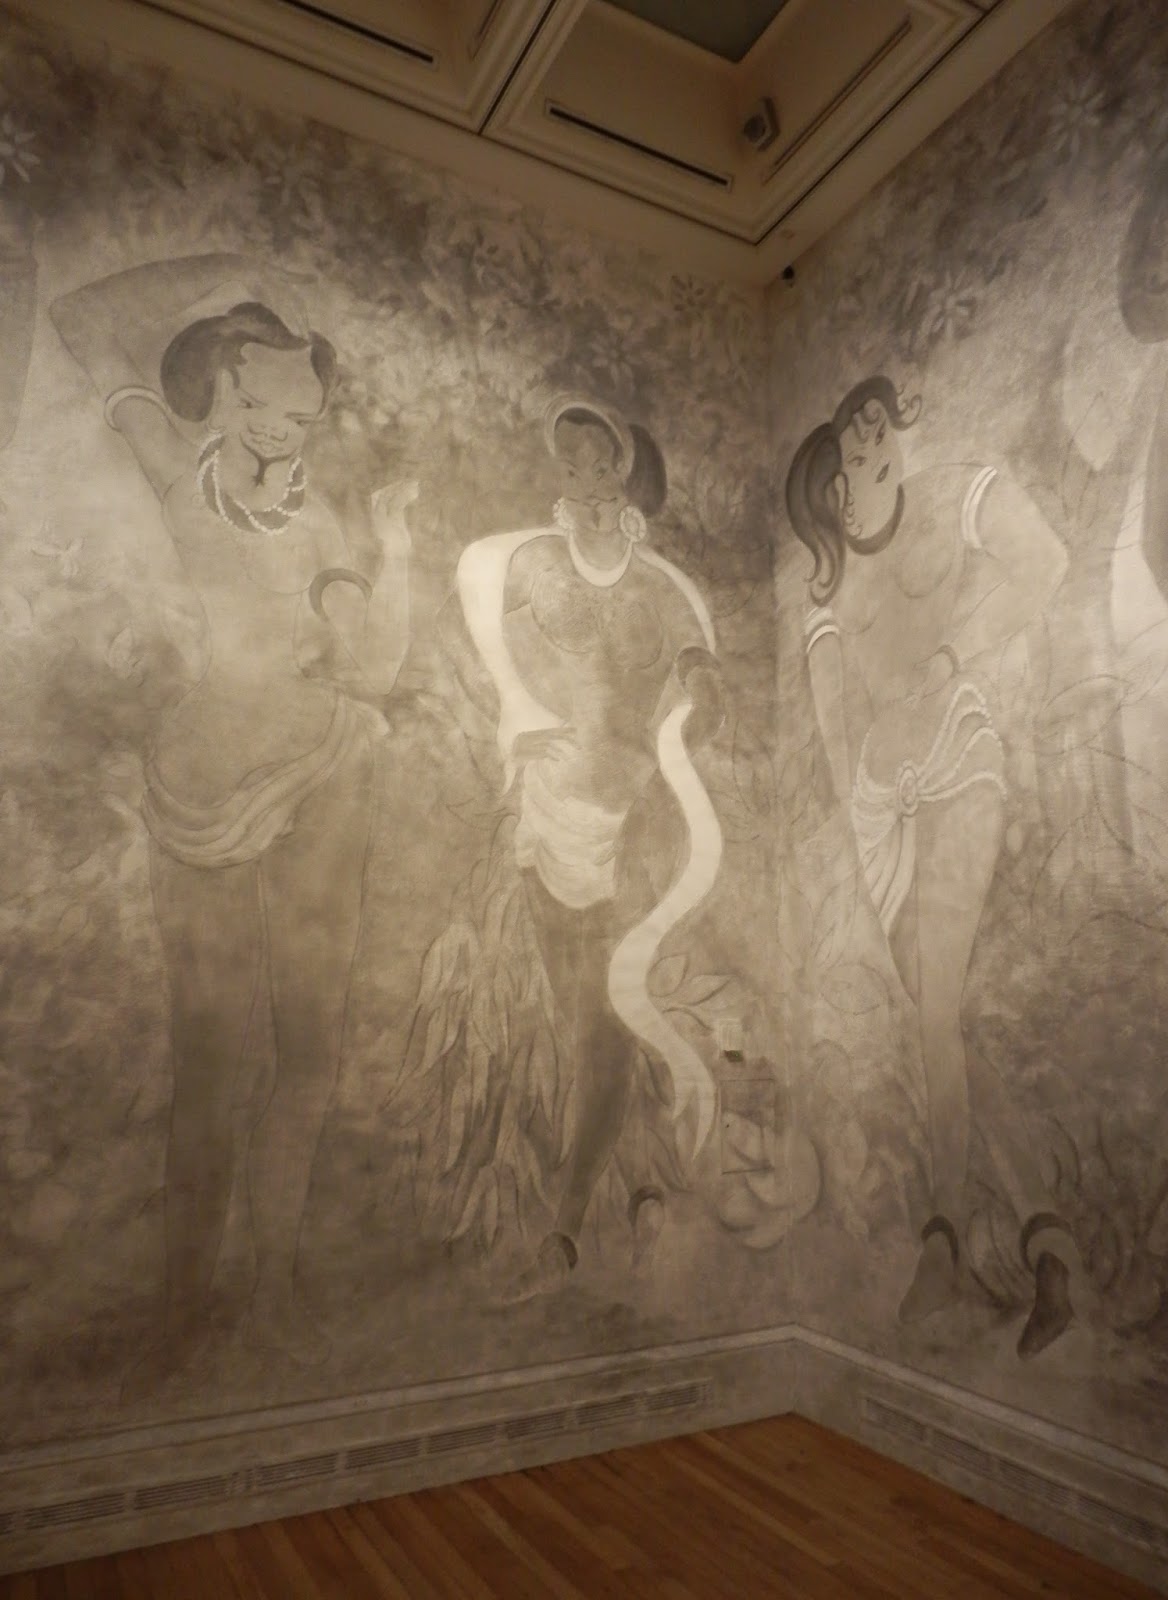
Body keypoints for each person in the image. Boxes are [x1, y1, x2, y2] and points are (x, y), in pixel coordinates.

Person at [51, 254, 414, 1375]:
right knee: (210, 1058)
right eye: (257, 404)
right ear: (219, 387)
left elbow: (372, 663)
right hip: (201, 789)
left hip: (326, 772)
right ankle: (182, 1309)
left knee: (309, 1046)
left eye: (298, 414)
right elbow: (78, 313)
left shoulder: (326, 522)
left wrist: (390, 563)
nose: (277, 431)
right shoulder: (175, 465)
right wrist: (238, 270)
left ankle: (271, 1293)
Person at [786, 375, 1077, 1357]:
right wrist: (856, 848)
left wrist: (955, 654)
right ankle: (1047, 1242)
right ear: (833, 491)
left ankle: (945, 1238)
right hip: (883, 816)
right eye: (852, 443)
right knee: (937, 1027)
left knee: (936, 1014)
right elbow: (835, 737)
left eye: (878, 427)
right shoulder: (826, 593)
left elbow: (1046, 561)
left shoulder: (954, 493)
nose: (871, 441)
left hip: (959, 766)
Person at [441, 394, 724, 1296]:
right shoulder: (531, 564)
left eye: (601, 464)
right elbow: (473, 624)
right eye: (571, 464)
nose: (587, 480)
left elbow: (705, 689)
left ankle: (563, 1236)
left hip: (631, 826)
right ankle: (633, 1194)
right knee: (574, 1022)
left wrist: (695, 708)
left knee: (606, 1022)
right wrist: (512, 714)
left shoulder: (663, 590)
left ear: (627, 473)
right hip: (546, 815)